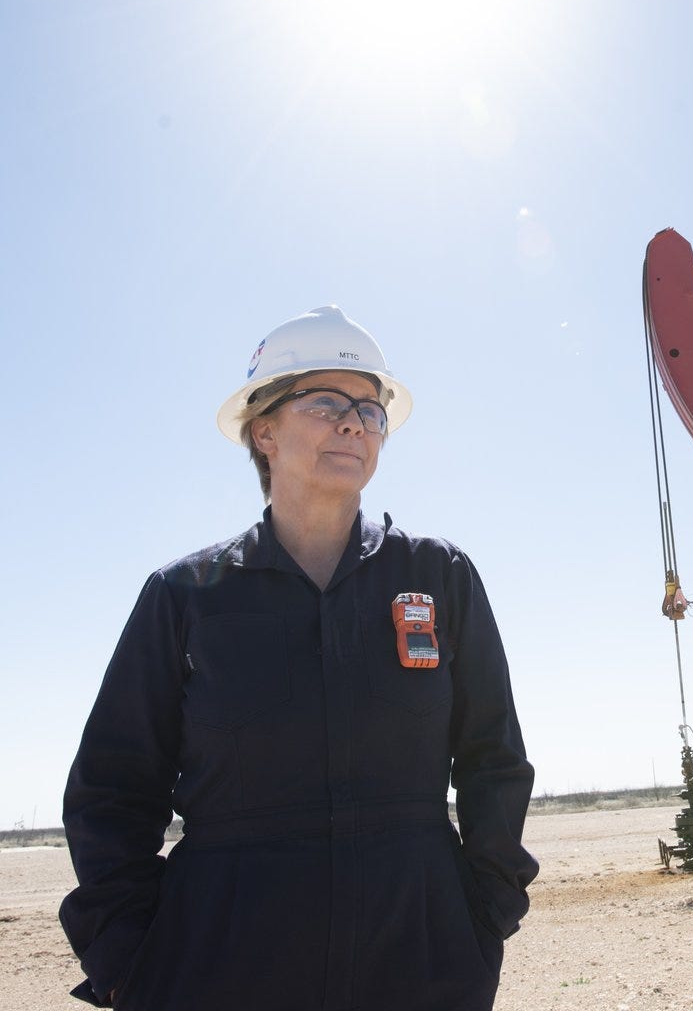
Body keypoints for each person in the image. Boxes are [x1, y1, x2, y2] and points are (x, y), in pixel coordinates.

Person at [60, 305, 538, 1010]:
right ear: (264, 432)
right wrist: (127, 956)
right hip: (220, 969)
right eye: (325, 403)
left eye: (370, 410)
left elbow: (493, 759)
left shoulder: (439, 578)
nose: (354, 424)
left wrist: (485, 914)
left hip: (420, 960)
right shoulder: (184, 597)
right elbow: (112, 787)